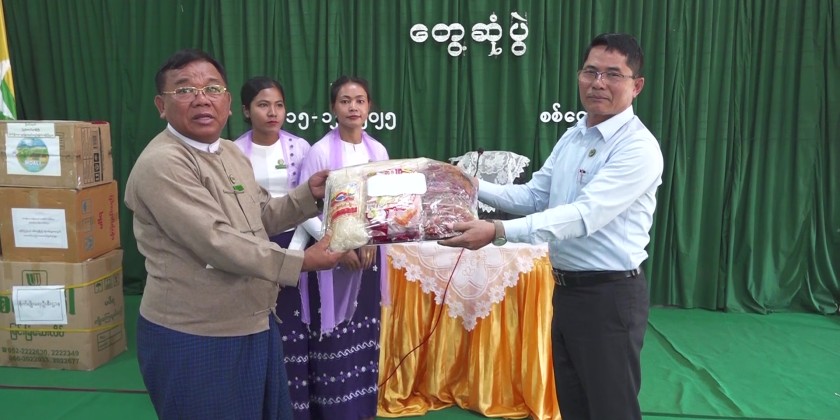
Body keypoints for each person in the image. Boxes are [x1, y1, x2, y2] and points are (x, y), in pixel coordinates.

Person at [440, 33, 664, 420]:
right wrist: (470, 183)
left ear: (637, 85)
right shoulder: (574, 135)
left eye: (613, 74)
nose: (598, 83)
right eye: (590, 71)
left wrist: (497, 231)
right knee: (574, 405)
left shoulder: (637, 147)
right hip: (566, 291)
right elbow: (534, 195)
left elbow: (582, 216)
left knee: (611, 409)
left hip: (609, 296)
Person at [124, 49, 346, 420]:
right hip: (195, 333)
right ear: (161, 105)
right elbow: (216, 241)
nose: (201, 99)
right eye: (185, 90)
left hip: (254, 321)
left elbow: (261, 214)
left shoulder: (228, 152)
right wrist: (302, 262)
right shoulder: (162, 163)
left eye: (212, 88)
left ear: (227, 103)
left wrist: (310, 194)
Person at [297, 75, 390, 419]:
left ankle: (361, 409)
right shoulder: (320, 151)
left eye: (360, 100)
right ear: (333, 108)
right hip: (330, 258)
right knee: (333, 335)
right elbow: (306, 210)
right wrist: (339, 246)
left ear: (369, 107)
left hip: (368, 256)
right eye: (345, 101)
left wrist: (371, 240)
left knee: (364, 331)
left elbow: (383, 205)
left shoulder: (378, 151)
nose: (353, 107)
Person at [234, 76, 314, 418]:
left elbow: (309, 203)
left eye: (279, 105)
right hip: (253, 246)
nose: (273, 113)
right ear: (246, 110)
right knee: (259, 326)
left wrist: (294, 252)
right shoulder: (233, 152)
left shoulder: (301, 147)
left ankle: (296, 406)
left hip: (299, 244)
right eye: (263, 105)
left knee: (294, 327)